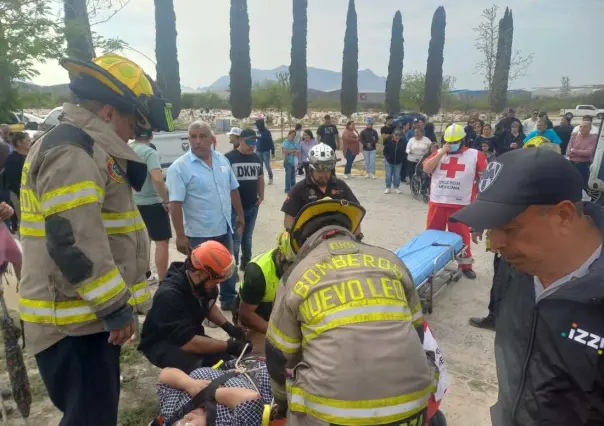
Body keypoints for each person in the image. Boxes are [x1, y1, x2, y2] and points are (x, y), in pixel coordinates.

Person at [18, 53, 173, 426]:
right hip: (74, 323)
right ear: (107, 112)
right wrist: (114, 307)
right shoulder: (74, 151)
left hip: (82, 318)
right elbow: (73, 240)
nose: (133, 133)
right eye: (131, 120)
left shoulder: (85, 148)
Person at [450, 148, 604, 426]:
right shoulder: (518, 266)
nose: (495, 245)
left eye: (510, 229)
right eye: (490, 228)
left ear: (564, 216)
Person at [266, 198, 435, 426]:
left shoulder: (296, 276)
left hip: (332, 414)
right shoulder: (391, 262)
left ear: (301, 242)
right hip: (412, 406)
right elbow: (418, 332)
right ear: (351, 231)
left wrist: (282, 403)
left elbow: (278, 356)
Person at [167, 120, 244, 311]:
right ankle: (203, 307)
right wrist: (180, 235)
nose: (197, 141)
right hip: (199, 233)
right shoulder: (179, 167)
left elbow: (233, 189)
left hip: (224, 226)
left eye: (202, 136)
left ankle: (228, 299)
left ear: (212, 139)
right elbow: (175, 203)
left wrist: (240, 215)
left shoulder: (222, 160)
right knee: (202, 273)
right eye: (193, 136)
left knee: (227, 267)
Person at [139, 241, 251, 373]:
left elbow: (207, 305)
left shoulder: (199, 283)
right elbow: (188, 342)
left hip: (189, 334)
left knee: (225, 359)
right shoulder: (169, 297)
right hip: (164, 343)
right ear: (199, 274)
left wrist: (228, 326)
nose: (216, 285)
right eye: (215, 281)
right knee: (204, 370)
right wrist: (228, 345)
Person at [422, 124, 487, 279]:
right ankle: (429, 265)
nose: (452, 144)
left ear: (463, 140)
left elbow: (484, 175)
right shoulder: (439, 153)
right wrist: (442, 152)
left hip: (461, 204)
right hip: (438, 202)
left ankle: (465, 265)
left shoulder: (474, 154)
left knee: (462, 237)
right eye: (449, 142)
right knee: (432, 236)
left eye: (455, 141)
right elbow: (426, 169)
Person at [156, 360, 272, 426]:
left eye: (180, 423)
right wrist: (212, 393)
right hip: (265, 377)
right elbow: (252, 399)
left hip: (234, 364)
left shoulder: (173, 414)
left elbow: (165, 375)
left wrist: (189, 384)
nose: (187, 416)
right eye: (189, 423)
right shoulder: (226, 423)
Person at [236, 230, 295, 356]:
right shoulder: (257, 273)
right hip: (257, 313)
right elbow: (245, 315)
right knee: (260, 357)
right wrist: (277, 333)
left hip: (278, 308)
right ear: (280, 254)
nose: (296, 269)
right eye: (291, 264)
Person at [281, 143, 360, 232]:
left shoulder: (341, 186)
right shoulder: (299, 189)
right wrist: (293, 236)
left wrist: (357, 237)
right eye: (319, 171)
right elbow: (289, 219)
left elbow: (355, 214)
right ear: (311, 169)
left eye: (327, 170)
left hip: (339, 235)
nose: (323, 175)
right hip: (310, 239)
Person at [129, 126, 171, 280]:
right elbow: (157, 179)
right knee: (161, 242)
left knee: (142, 241)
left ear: (134, 134)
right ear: (151, 136)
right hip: (152, 203)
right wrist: (166, 200)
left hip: (133, 202)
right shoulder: (149, 152)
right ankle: (163, 279)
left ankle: (145, 275)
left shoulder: (127, 148)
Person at [225, 128, 264, 272]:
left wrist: (261, 196)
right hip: (234, 208)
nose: (253, 145)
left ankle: (246, 263)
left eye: (255, 141)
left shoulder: (256, 158)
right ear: (241, 140)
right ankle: (232, 269)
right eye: (250, 142)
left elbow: (260, 178)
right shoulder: (228, 158)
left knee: (247, 238)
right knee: (235, 239)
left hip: (252, 206)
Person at [3, 132, 31, 225]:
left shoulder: (27, 157)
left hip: (27, 193)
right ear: (19, 143)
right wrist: (22, 195)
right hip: (18, 194)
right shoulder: (12, 159)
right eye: (28, 140)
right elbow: (13, 182)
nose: (30, 142)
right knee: (23, 220)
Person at [567, 120, 597, 188]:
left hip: (583, 164)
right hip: (572, 163)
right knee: (572, 183)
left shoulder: (593, 138)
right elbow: (569, 150)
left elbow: (589, 152)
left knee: (583, 183)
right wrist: (576, 152)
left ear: (590, 128)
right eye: (580, 126)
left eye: (585, 126)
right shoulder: (575, 136)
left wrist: (574, 151)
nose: (582, 128)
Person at [255, 118, 274, 185]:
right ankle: (261, 180)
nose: (256, 126)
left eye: (257, 125)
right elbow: (256, 141)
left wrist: (273, 150)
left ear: (260, 124)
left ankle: (270, 178)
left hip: (266, 152)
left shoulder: (267, 132)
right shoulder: (257, 132)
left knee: (267, 165)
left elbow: (270, 141)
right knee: (259, 167)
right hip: (258, 151)